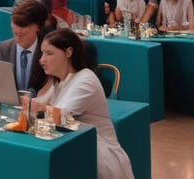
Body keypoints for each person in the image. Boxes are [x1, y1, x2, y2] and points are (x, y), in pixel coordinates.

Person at [34, 29, 134, 179]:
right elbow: (37, 104)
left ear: (68, 53)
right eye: (42, 53)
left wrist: (38, 108)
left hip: (98, 158)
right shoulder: (59, 81)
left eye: (49, 53)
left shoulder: (86, 79)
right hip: (76, 152)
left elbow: (62, 116)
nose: (41, 60)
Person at [0, 0, 49, 94]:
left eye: (22, 34)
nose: (17, 39)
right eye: (14, 33)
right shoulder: (2, 49)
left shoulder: (49, 51)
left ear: (36, 27)